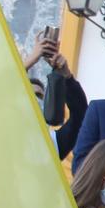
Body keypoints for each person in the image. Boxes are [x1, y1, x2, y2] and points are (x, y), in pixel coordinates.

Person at [26, 30, 88, 160]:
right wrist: (31, 59)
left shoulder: (53, 143)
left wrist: (66, 75)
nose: (34, 100)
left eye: (39, 96)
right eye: (28, 95)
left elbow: (81, 114)